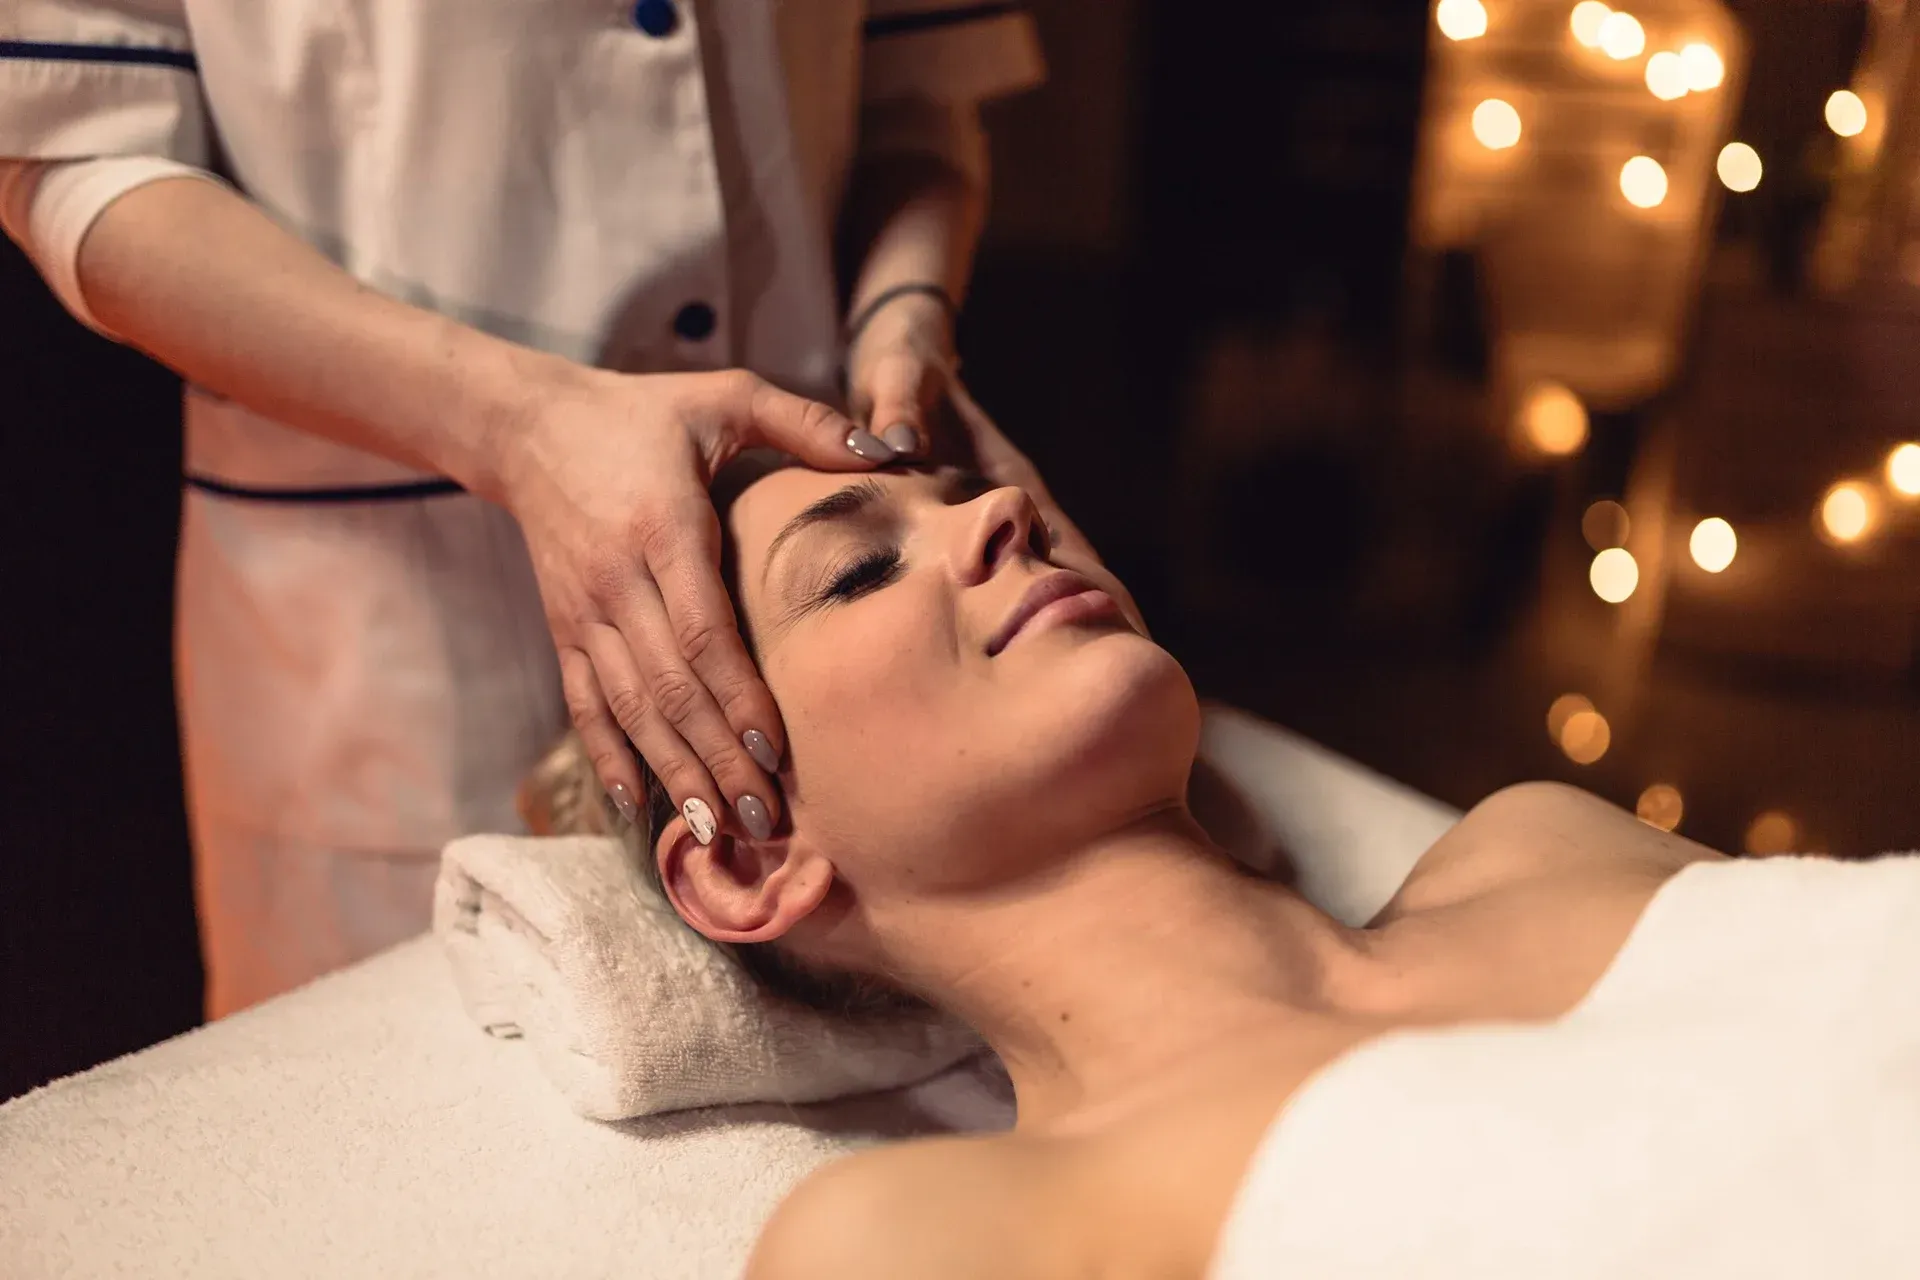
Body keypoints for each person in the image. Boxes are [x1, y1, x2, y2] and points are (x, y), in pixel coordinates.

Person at [550, 438, 1915, 1278]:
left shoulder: (1543, 839)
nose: (1003, 511)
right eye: (857, 571)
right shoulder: (932, 1237)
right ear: (748, 862)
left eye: (968, 490)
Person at [0, 1, 1043, 1016]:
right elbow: (71, 148)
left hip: (811, 473)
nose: (1005, 521)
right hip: (400, 652)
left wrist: (904, 313)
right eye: (856, 573)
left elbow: (917, 92)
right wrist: (514, 424)